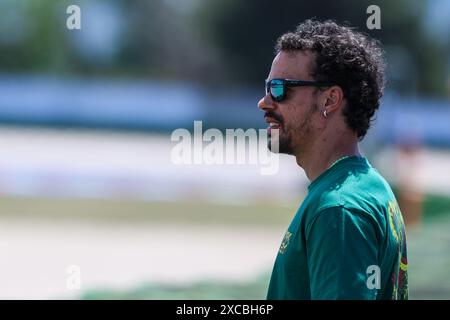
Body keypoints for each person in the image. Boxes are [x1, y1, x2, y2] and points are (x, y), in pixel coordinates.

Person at [258, 19, 408, 300]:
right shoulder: (369, 186)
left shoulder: (339, 210)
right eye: (267, 86)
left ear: (330, 100)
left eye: (279, 89)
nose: (264, 102)